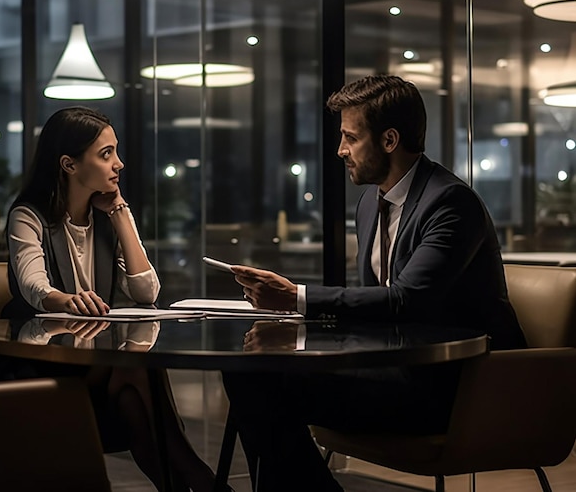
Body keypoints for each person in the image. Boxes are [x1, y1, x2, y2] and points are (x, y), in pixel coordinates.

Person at [222, 74, 527, 491]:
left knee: (259, 384)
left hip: (455, 388)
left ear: (389, 140)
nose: (340, 150)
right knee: (248, 372)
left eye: (350, 137)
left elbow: (407, 301)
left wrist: (298, 297)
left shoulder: (452, 203)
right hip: (396, 373)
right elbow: (377, 308)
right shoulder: (371, 202)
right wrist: (295, 327)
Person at [0, 106, 225, 492]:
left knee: (135, 399)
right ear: (69, 164)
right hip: (45, 363)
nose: (118, 164)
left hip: (101, 366)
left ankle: (196, 485)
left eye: (116, 151)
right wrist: (65, 300)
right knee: (136, 371)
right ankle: (204, 482)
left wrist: (120, 214)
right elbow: (34, 286)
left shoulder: (109, 213)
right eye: (106, 154)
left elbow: (147, 292)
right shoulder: (29, 216)